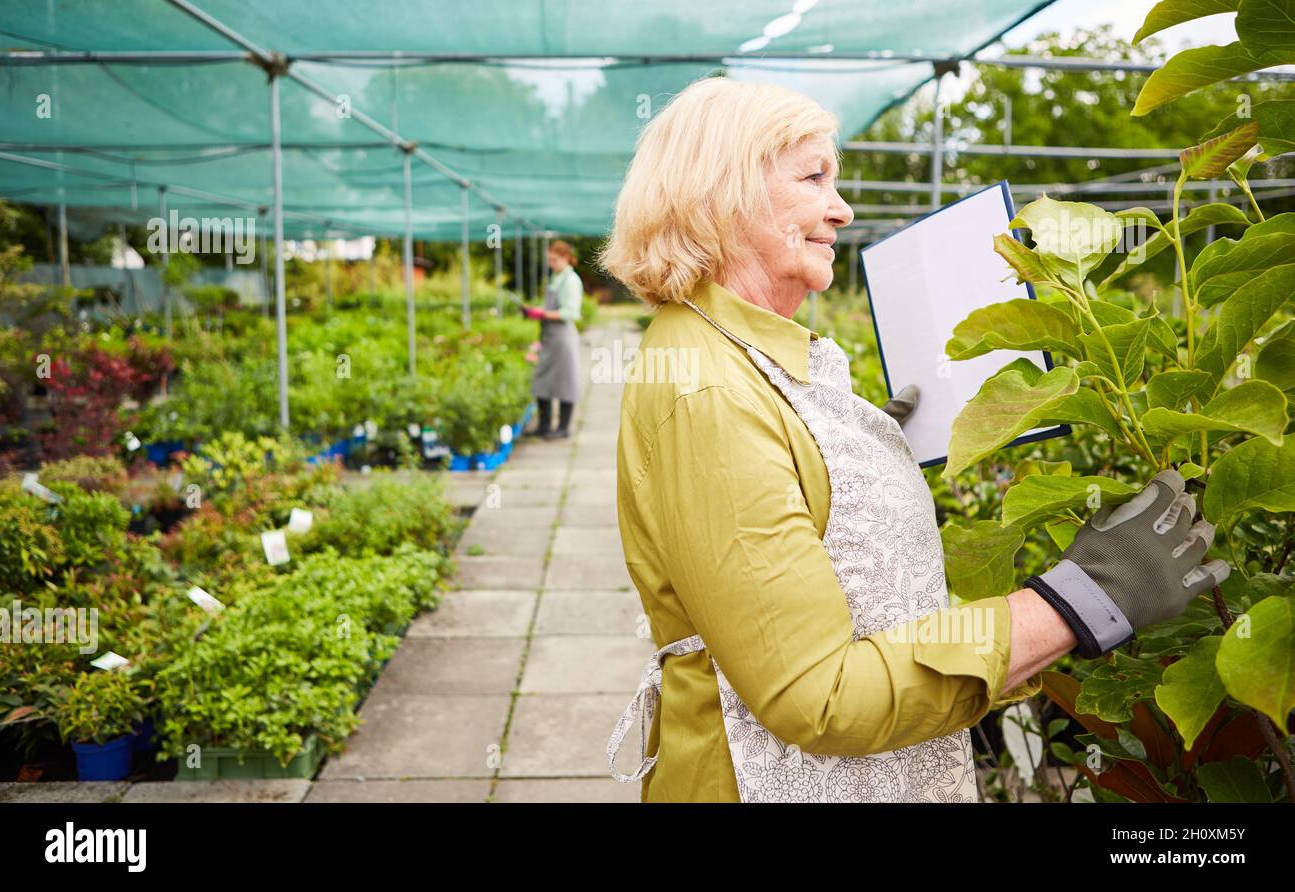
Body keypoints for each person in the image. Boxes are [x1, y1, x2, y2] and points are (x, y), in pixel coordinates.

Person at [595, 76, 1229, 803]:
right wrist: (1079, 599)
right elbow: (819, 694)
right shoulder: (708, 393)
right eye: (813, 177)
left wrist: (853, 447)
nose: (842, 208)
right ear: (723, 194)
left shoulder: (736, 354)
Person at [526, 239, 584, 440]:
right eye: (549, 260)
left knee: (565, 382)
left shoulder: (571, 281)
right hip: (550, 337)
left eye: (555, 260)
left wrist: (542, 314)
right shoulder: (556, 277)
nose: (551, 263)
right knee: (542, 381)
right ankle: (543, 425)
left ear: (566, 258)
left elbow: (570, 312)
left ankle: (563, 427)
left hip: (563, 338)